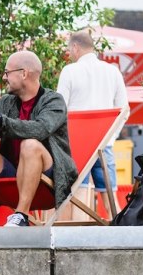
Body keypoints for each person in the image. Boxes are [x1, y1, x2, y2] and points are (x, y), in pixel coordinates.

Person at [0, 50, 75, 226]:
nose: (4, 77)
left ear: (24, 73)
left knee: (30, 144)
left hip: (46, 181)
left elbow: (40, 129)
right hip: (12, 174)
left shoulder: (54, 101)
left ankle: (21, 215)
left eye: (7, 72)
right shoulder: (6, 102)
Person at [55, 30, 129, 219]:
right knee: (111, 199)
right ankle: (122, 238)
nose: (69, 54)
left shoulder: (69, 71)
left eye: (69, 50)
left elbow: (59, 110)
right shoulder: (112, 71)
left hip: (77, 146)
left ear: (75, 47)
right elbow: (124, 110)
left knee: (79, 197)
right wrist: (111, 137)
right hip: (104, 145)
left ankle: (78, 242)